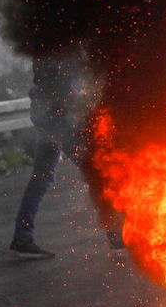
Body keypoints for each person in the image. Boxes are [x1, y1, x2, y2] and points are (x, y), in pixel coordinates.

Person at [9, 45, 124, 258]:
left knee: (40, 178)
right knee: (95, 172)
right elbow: (67, 90)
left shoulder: (44, 43)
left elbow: (51, 84)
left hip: (46, 120)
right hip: (60, 121)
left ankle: (22, 237)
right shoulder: (63, 46)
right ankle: (116, 235)